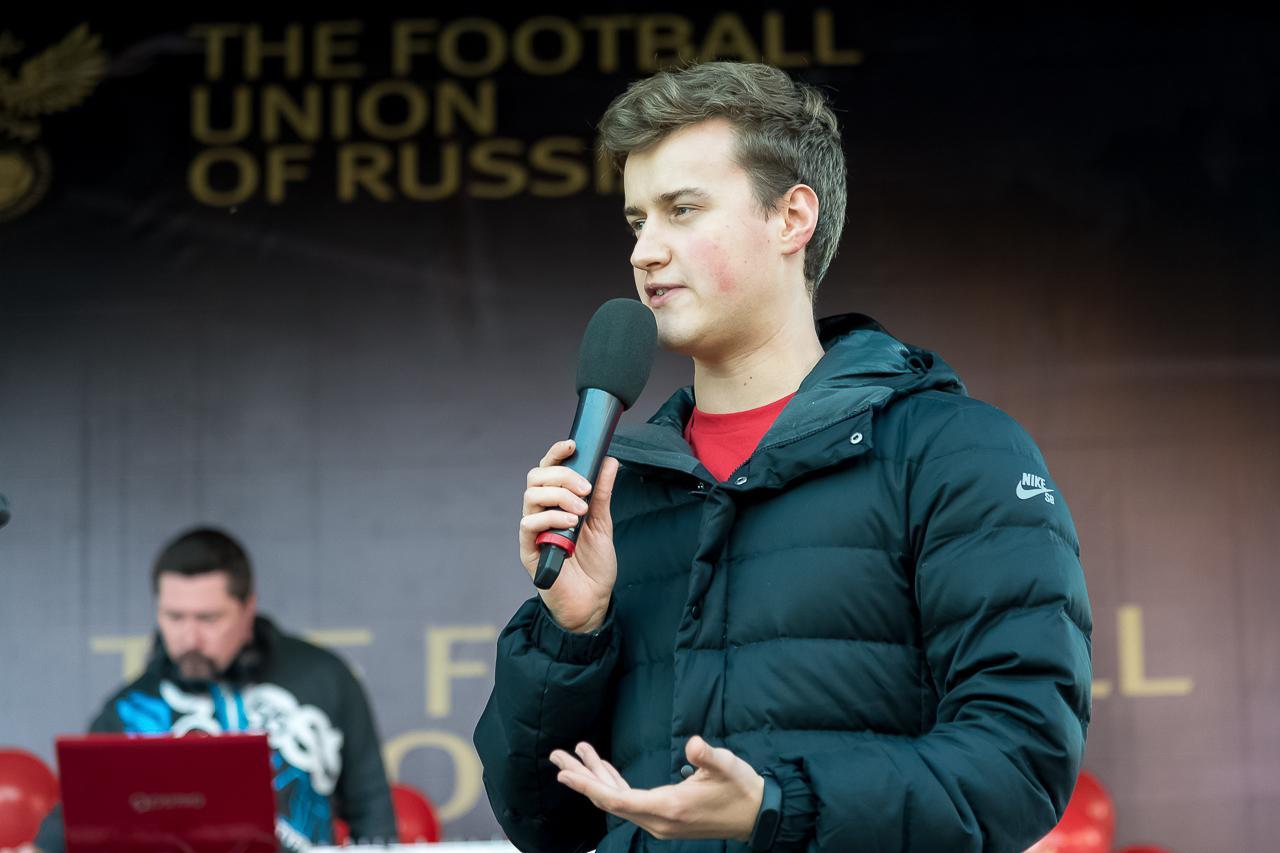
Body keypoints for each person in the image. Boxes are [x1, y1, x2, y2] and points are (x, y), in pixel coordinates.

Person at [473, 61, 1092, 852]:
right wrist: (573, 629)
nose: (646, 251)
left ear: (792, 217)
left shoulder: (953, 452)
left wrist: (780, 803)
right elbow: (540, 821)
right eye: (636, 221)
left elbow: (1021, 762)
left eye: (682, 210)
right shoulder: (619, 492)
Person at [32, 527, 397, 852]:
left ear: (248, 609)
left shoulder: (325, 676)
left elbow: (373, 814)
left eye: (208, 618)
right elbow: (69, 828)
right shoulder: (128, 710)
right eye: (174, 617)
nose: (190, 638)